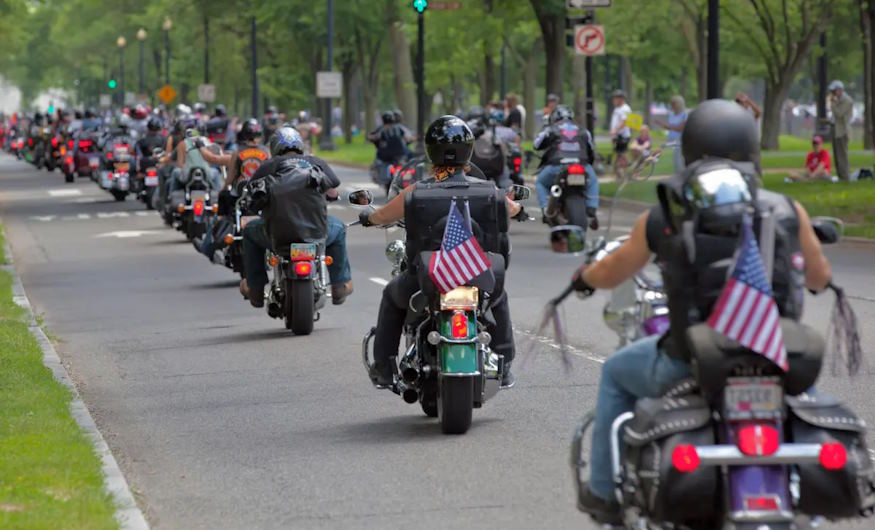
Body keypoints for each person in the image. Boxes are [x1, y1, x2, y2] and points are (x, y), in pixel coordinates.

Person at [571, 99, 833, 524]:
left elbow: (611, 271)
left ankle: (604, 493)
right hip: (775, 358)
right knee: (815, 412)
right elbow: (820, 277)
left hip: (690, 360)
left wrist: (583, 278)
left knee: (616, 372)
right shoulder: (788, 209)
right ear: (752, 150)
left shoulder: (667, 212)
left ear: (689, 150)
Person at [358, 115, 522, 388]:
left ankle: (385, 368)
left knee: (391, 296)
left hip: (427, 279)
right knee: (498, 297)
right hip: (478, 276)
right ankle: (503, 365)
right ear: (468, 150)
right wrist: (517, 208)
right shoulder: (491, 192)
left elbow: (382, 216)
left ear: (431, 151)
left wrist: (367, 216)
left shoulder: (414, 192)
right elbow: (514, 209)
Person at [239, 127, 353, 307]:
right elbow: (333, 190)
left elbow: (253, 194)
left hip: (276, 235)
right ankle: (340, 284)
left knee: (250, 231)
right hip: (317, 233)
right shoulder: (316, 162)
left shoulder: (269, 166)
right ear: (300, 144)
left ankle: (256, 290)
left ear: (274, 147)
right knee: (338, 228)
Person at [196, 119, 269, 262]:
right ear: (259, 134)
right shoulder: (266, 152)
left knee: (222, 218)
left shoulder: (238, 153)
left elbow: (229, 177)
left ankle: (207, 248)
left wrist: (223, 189)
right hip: (261, 196)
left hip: (239, 196)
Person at [533, 105, 599, 228]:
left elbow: (536, 145)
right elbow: (591, 150)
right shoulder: (583, 130)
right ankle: (592, 208)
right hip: (581, 164)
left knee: (541, 183)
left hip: (557, 164)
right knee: (593, 181)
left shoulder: (551, 129)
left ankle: (545, 208)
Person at [367, 111, 413, 187]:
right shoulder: (399, 128)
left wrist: (370, 138)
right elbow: (408, 138)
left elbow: (374, 137)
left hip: (384, 155)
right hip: (400, 153)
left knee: (377, 163)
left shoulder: (381, 129)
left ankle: (381, 177)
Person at [827, 80, 853, 181]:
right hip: (835, 129)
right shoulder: (838, 100)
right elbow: (835, 117)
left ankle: (845, 176)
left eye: (834, 91)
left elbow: (839, 113)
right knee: (837, 154)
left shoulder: (847, 100)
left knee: (842, 154)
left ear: (839, 90)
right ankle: (840, 175)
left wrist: (833, 104)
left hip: (842, 131)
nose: (832, 93)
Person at [654, 95, 687, 174]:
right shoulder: (672, 115)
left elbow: (680, 128)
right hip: (671, 140)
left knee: (679, 161)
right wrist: (661, 124)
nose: (672, 106)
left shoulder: (685, 115)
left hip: (679, 141)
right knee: (661, 151)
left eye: (673, 104)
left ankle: (681, 176)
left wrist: (666, 124)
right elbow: (670, 127)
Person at [609, 90, 632, 179]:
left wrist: (615, 130)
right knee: (619, 154)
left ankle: (628, 170)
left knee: (621, 154)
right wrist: (613, 135)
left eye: (616, 98)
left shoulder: (625, 108)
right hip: (618, 136)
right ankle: (621, 174)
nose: (614, 100)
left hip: (623, 136)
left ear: (621, 99)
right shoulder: (617, 109)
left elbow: (624, 122)